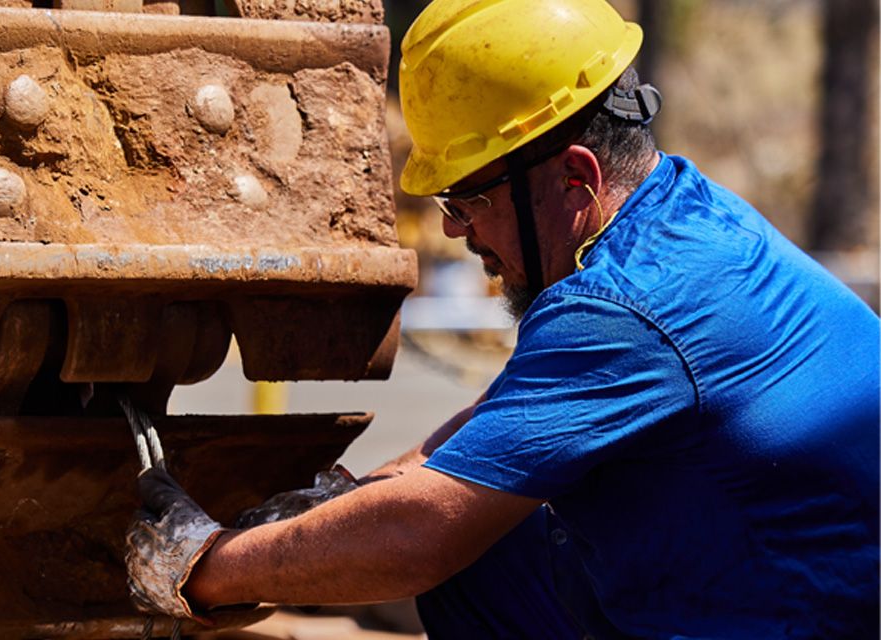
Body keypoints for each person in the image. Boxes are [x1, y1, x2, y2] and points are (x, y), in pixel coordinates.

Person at [125, 0, 881, 637]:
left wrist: (205, 565)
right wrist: (354, 496)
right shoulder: (680, 214)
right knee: (493, 556)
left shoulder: (623, 309)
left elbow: (422, 535)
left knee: (462, 545)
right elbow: (503, 421)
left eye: (468, 201)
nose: (455, 230)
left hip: (813, 612)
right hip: (796, 568)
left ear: (576, 178)